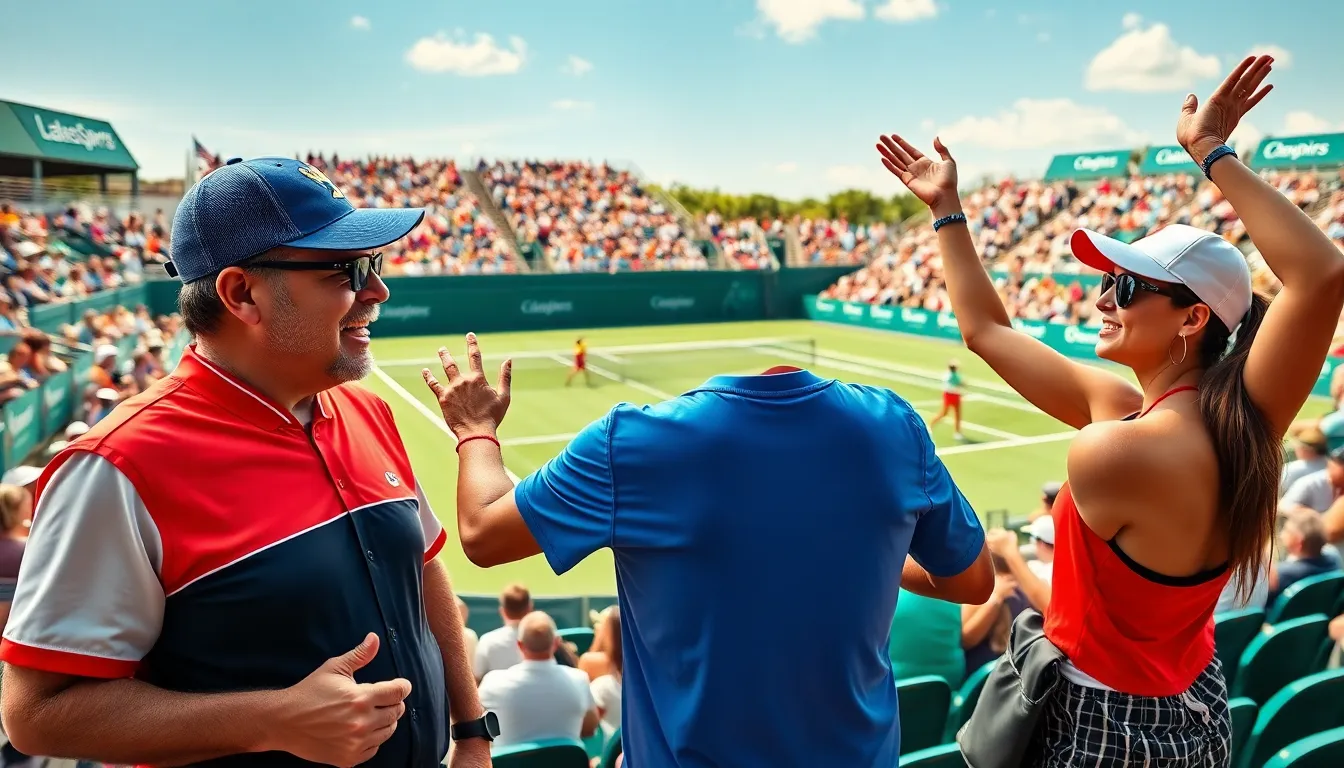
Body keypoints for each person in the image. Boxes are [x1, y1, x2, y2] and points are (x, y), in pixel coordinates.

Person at [876, 54, 1344, 764]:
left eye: (1126, 288)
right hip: (1195, 702)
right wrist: (949, 211)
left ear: (1191, 321)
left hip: (1100, 724)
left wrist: (1211, 148)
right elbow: (989, 333)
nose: (1100, 299)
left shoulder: (1113, 446)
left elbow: (1324, 276)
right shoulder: (1243, 422)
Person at [0, 156, 493, 767]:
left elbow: (421, 569)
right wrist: (272, 719)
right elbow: (35, 715)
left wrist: (471, 732)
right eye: (348, 270)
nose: (377, 291)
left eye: (376, 265)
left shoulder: (369, 413)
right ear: (241, 294)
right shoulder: (117, 465)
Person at [420, 337, 994, 766]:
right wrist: (857, 552)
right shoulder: (894, 424)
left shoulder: (632, 442)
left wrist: (475, 430)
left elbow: (482, 533)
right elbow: (971, 581)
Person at [477, 611, 600, 750]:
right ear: (556, 643)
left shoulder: (493, 683)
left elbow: (473, 724)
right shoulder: (579, 680)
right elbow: (590, 728)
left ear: (519, 645)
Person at [927, 358, 964, 440]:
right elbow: (960, 384)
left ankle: (931, 426)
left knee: (946, 413)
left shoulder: (946, 374)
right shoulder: (955, 376)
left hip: (949, 395)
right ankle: (957, 432)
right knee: (953, 414)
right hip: (953, 395)